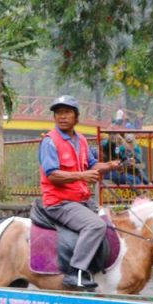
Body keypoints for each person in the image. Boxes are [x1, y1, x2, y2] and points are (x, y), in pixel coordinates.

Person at [38, 95, 121, 290]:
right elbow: (52, 175)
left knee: (111, 221)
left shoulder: (81, 140)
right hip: (59, 203)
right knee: (95, 226)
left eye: (67, 112)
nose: (62, 117)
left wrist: (109, 166)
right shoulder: (50, 142)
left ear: (76, 117)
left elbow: (92, 165)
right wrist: (82, 176)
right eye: (58, 113)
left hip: (80, 201)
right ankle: (75, 272)